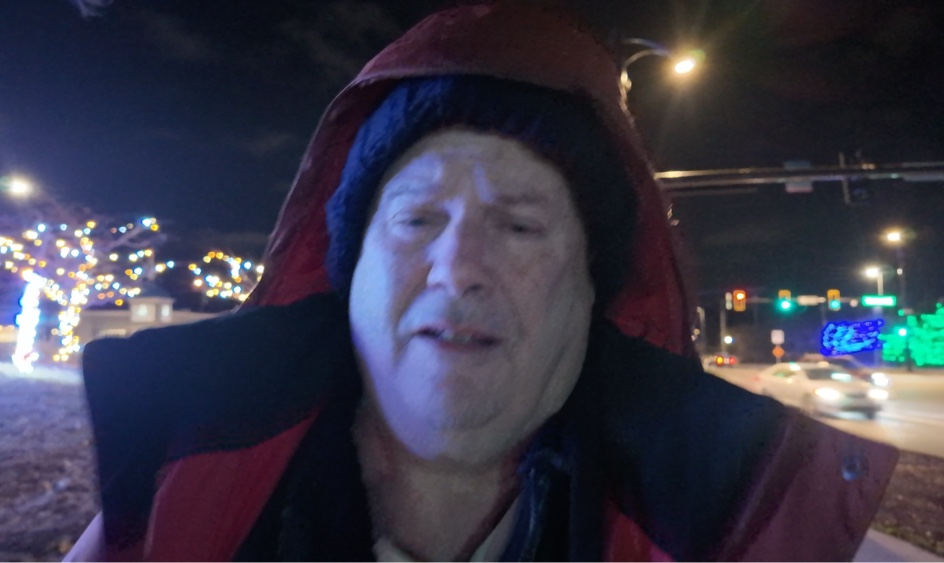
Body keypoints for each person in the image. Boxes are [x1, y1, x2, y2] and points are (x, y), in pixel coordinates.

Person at [66, 2, 898, 561]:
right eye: (418, 220)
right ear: (350, 270)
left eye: (521, 225)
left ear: (591, 294)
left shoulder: (749, 527)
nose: (459, 266)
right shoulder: (167, 512)